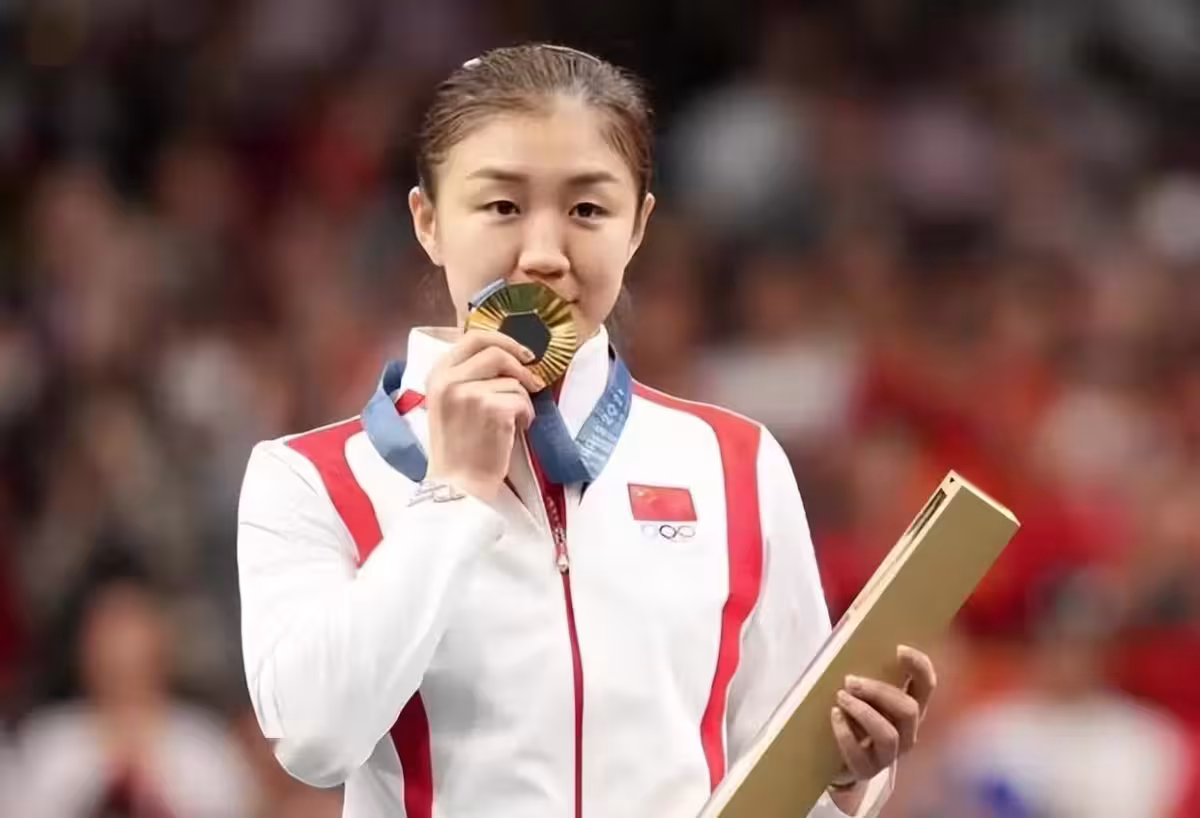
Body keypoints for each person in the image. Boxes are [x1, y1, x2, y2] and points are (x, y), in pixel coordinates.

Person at [236, 43, 937, 818]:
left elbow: (777, 787)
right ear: (428, 222)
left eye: (588, 210)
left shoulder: (735, 464)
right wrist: (452, 496)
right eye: (502, 207)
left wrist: (844, 777)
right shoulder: (312, 477)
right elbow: (314, 740)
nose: (544, 255)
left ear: (637, 227)